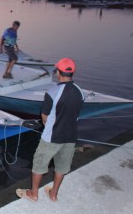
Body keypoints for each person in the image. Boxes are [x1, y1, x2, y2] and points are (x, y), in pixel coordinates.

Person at [16, 58, 84, 202]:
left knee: (39, 164)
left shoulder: (53, 92)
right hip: (71, 137)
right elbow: (76, 114)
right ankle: (53, 194)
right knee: (62, 166)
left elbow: (44, 118)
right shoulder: (80, 91)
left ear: (58, 72)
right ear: (72, 72)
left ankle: (33, 194)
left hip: (51, 138)